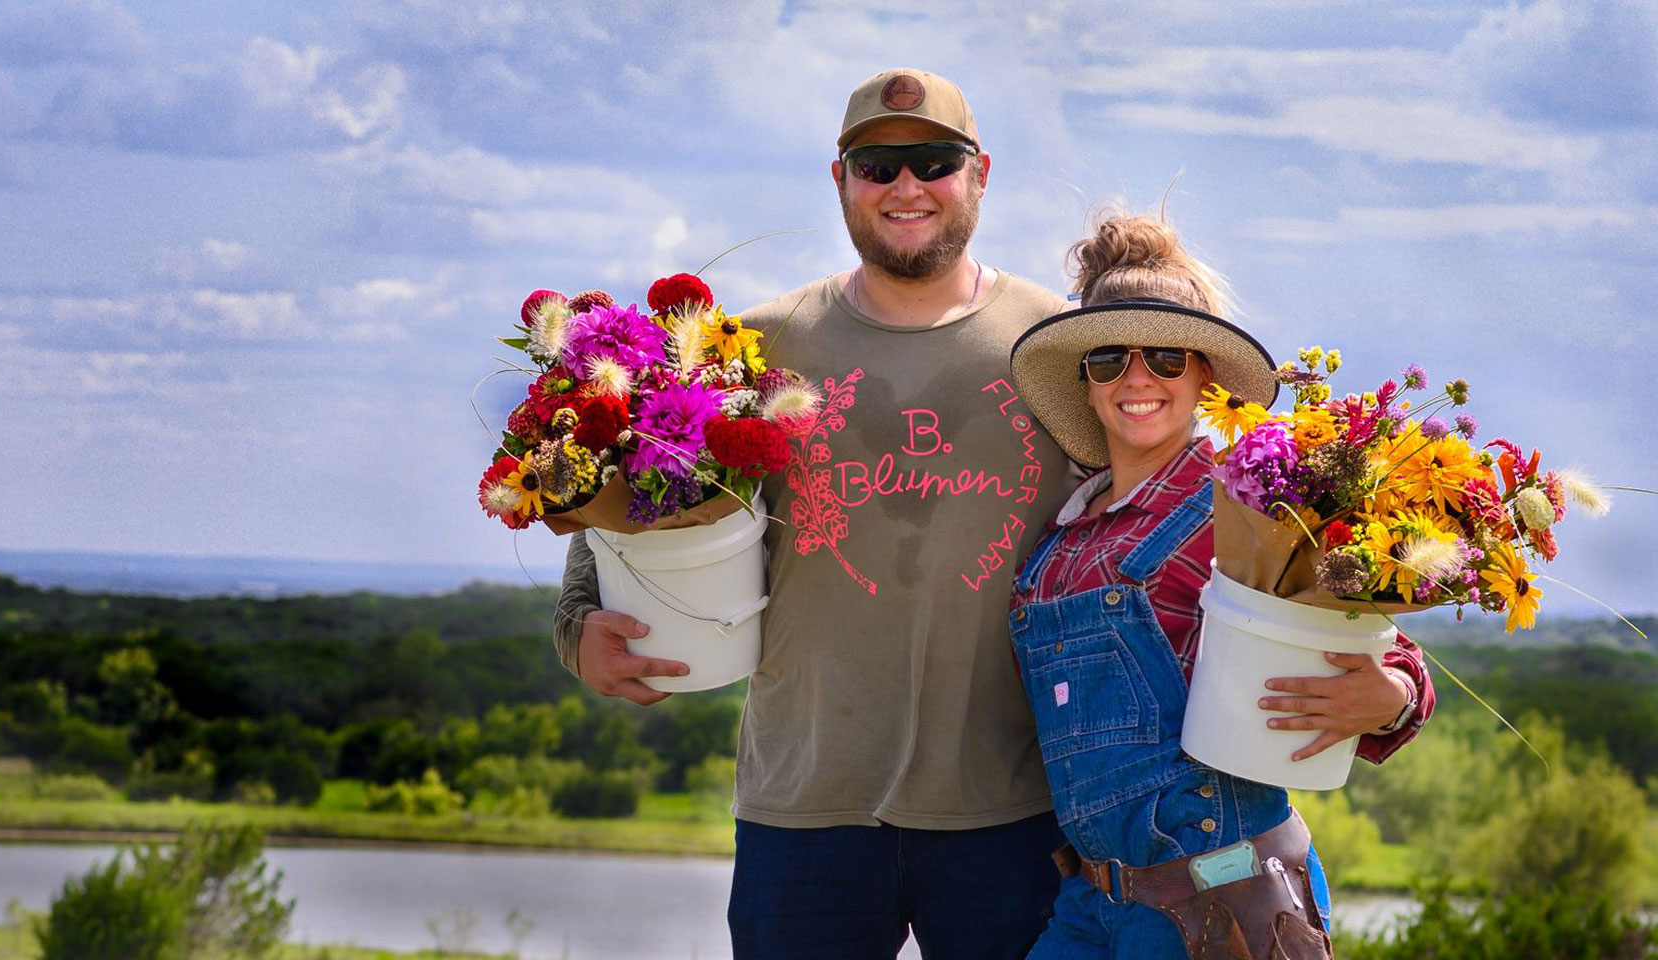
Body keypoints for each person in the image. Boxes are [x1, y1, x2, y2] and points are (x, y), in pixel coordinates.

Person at [555, 68, 1080, 959]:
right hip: (804, 806)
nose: (905, 186)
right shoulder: (762, 344)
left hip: (1014, 808)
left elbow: (1156, 515)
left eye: (933, 161)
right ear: (839, 177)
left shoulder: (1059, 343)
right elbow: (634, 486)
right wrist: (578, 625)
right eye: (878, 164)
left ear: (980, 172)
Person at [1004, 214, 1433, 958]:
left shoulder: (1248, 509)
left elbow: (1378, 639)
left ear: (1204, 372)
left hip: (1225, 904)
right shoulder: (1059, 539)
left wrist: (1391, 697)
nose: (1137, 377)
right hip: (1090, 906)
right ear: (1086, 380)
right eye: (1109, 357)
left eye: (1166, 356)